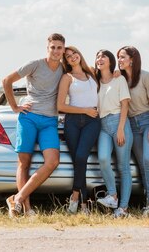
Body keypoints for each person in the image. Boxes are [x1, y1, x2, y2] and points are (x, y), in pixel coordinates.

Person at [2, 33, 65, 217]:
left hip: (49, 121)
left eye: (59, 47)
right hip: (28, 117)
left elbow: (85, 71)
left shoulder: (63, 69)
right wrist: (15, 107)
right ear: (47, 48)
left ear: (63, 49)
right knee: (24, 162)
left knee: (53, 161)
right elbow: (7, 81)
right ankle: (26, 209)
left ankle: (18, 198)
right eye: (52, 47)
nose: (55, 51)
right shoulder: (35, 64)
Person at [117, 45, 149, 216]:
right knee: (142, 164)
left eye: (122, 57)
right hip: (131, 125)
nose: (119, 60)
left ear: (132, 59)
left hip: (148, 122)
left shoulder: (145, 76)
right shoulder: (119, 78)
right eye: (119, 57)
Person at [57, 46, 100, 214]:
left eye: (74, 53)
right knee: (78, 161)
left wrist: (117, 73)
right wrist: (84, 110)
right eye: (68, 56)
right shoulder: (67, 78)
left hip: (92, 121)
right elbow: (60, 106)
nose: (72, 57)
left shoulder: (92, 74)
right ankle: (83, 205)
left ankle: (74, 196)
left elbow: (109, 75)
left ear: (79, 54)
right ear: (66, 61)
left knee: (81, 157)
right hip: (73, 121)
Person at [95, 49, 133, 218]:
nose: (99, 59)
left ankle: (123, 208)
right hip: (103, 125)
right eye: (97, 56)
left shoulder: (119, 79)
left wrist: (120, 129)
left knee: (123, 167)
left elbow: (125, 105)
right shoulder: (95, 81)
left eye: (103, 56)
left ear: (110, 61)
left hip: (120, 123)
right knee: (103, 158)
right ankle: (112, 195)